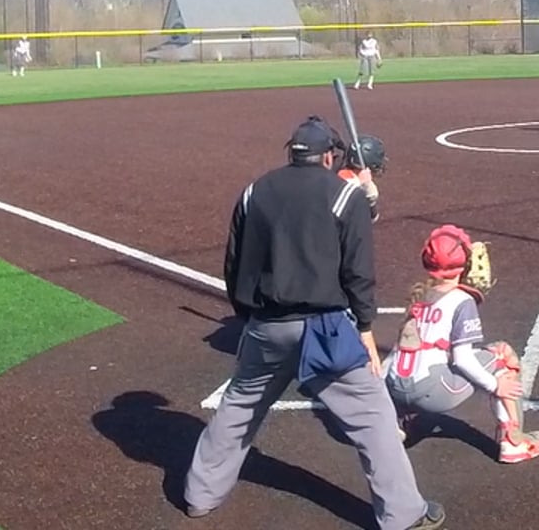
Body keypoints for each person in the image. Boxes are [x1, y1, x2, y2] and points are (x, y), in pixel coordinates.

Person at [183, 117, 446, 529]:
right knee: (373, 415)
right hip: (324, 329)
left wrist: (248, 317)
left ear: (292, 152)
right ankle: (404, 514)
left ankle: (199, 495)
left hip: (265, 325)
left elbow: (234, 263)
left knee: (238, 408)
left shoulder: (255, 191)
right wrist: (364, 325)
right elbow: (358, 272)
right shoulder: (344, 195)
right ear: (328, 157)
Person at [384, 224, 539, 464]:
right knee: (502, 355)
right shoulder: (462, 300)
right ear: (465, 263)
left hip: (395, 389)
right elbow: (462, 359)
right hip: (432, 391)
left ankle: (397, 424)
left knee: (424, 356)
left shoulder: (418, 296)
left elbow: (394, 355)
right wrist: (495, 386)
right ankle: (513, 443)